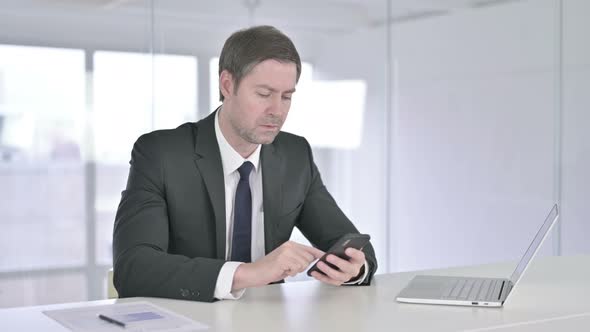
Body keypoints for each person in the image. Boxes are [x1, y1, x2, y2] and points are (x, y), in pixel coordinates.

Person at [113, 25, 378, 303]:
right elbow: (133, 269)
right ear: (227, 85)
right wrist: (250, 273)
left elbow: (353, 243)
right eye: (264, 94)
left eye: (287, 96)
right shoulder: (162, 153)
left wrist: (354, 269)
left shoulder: (295, 154)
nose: (277, 110)